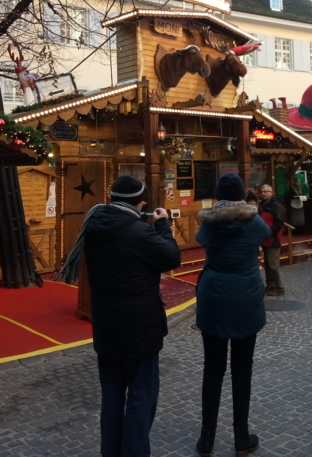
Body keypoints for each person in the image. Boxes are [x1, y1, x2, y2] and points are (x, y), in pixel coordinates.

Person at [83, 176, 180, 457]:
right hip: (140, 326)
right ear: (139, 202)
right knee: (141, 397)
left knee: (112, 396)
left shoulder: (93, 224)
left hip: (106, 324)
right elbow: (171, 258)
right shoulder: (138, 231)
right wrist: (163, 225)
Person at [195, 173, 271, 457]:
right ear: (241, 194)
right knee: (242, 369)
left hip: (214, 297)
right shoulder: (252, 221)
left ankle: (207, 438)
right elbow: (266, 236)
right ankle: (241, 436)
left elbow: (201, 239)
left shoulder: (210, 224)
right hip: (245, 299)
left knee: (212, 369)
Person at [258, 184, 285, 296]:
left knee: (273, 265)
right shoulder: (261, 205)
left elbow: (279, 223)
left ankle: (278, 287)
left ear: (271, 192)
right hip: (265, 238)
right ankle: (270, 285)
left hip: (273, 238)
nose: (263, 193)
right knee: (268, 264)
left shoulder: (276, 206)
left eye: (266, 191)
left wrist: (269, 232)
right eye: (262, 191)